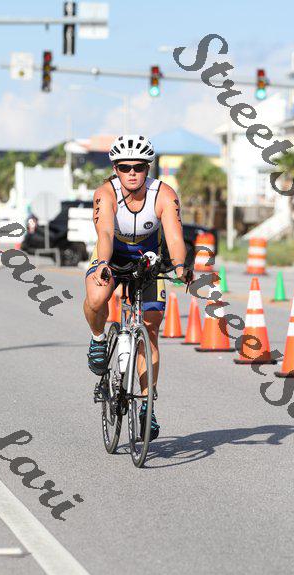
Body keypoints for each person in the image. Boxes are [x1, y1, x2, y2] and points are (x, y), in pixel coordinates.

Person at [83, 134, 189, 440]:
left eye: (139, 167)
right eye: (125, 167)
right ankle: (98, 338)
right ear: (115, 169)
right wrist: (103, 263)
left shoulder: (164, 194)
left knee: (150, 328)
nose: (132, 173)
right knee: (97, 296)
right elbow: (105, 233)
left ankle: (147, 406)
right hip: (112, 255)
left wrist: (180, 267)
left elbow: (174, 237)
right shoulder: (106, 193)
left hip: (148, 259)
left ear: (148, 168)